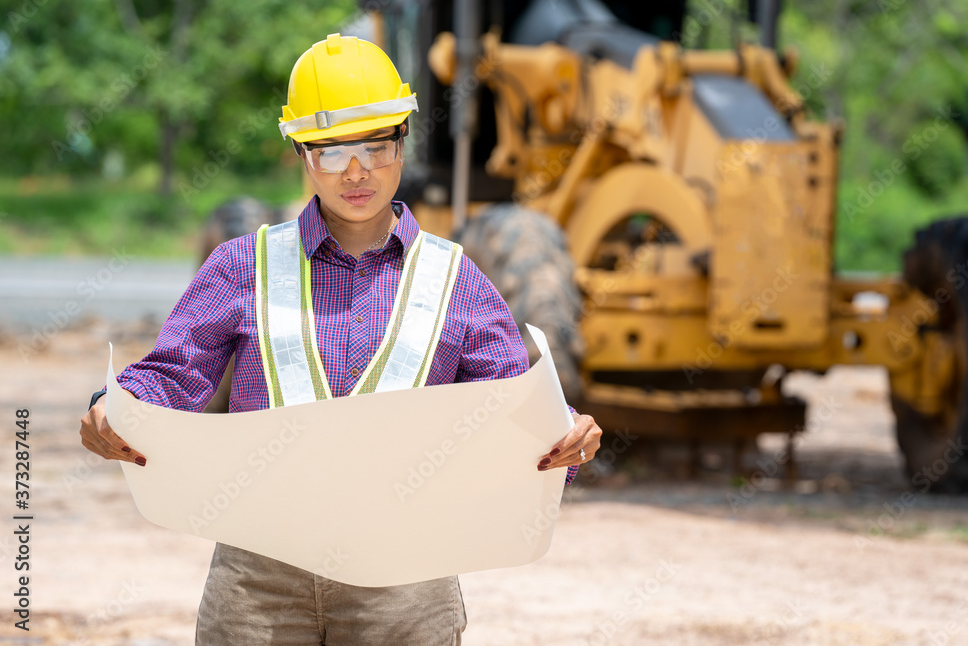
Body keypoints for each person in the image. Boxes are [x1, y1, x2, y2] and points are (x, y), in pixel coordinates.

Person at [79, 33, 602, 645]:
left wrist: (566, 433)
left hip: (407, 580)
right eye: (331, 152)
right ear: (302, 153)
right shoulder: (240, 266)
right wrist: (111, 406)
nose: (356, 171)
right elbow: (172, 377)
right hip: (258, 578)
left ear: (402, 142)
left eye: (375, 145)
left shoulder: (455, 279)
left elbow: (516, 409)